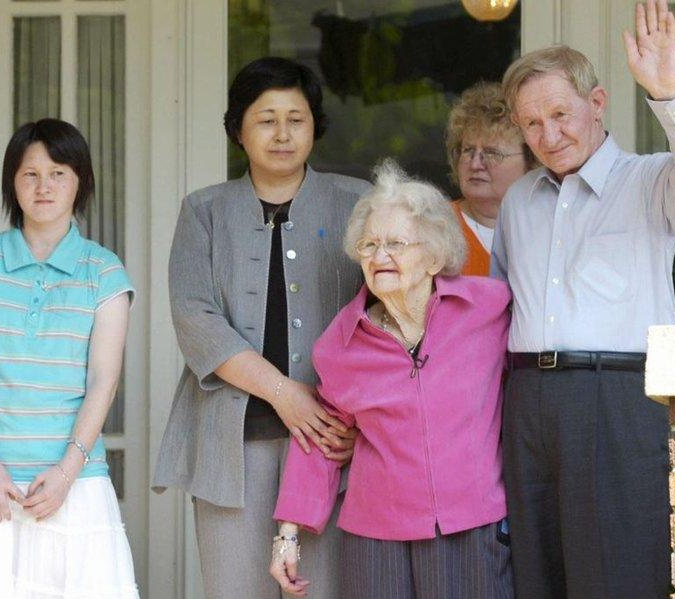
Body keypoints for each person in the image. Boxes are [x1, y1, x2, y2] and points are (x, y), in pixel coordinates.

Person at [491, 0, 675, 596]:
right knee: (536, 575)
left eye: (560, 114)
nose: (548, 135)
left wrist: (668, 91)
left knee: (617, 575)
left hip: (615, 398)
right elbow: (499, 308)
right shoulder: (519, 199)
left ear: (596, 105)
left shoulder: (650, 181)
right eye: (531, 124)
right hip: (526, 401)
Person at [151, 57, 369, 598]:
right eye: (265, 118)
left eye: (296, 118)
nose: (282, 133)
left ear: (314, 125)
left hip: (333, 443)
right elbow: (195, 318)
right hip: (232, 448)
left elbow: (386, 315)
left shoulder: (359, 204)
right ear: (238, 130)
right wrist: (284, 393)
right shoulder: (203, 210)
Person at [268, 160, 513, 599]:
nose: (380, 257)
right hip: (376, 537)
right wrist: (288, 534)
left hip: (472, 525)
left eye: (396, 244)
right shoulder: (342, 342)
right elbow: (322, 440)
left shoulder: (489, 309)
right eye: (368, 245)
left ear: (435, 254)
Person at [0, 119, 138, 597]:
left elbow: (104, 380)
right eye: (30, 174)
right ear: (12, 183)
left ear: (79, 181)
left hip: (72, 486)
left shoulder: (104, 271)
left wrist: (67, 471)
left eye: (59, 172)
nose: (44, 186)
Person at [444, 82, 533, 275]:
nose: (475, 164)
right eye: (468, 151)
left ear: (531, 160)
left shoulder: (547, 225)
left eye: (492, 153)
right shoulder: (435, 227)